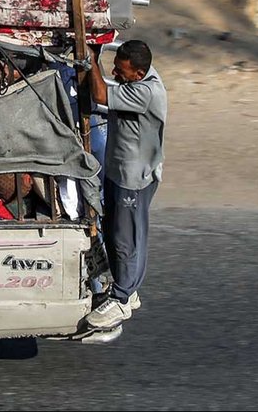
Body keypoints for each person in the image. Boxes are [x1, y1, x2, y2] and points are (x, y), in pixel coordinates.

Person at [83, 40, 167, 330]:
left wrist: (91, 60)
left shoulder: (145, 92)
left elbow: (100, 92)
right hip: (120, 172)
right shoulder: (140, 78)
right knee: (118, 230)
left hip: (133, 178)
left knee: (126, 238)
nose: (116, 74)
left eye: (121, 71)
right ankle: (126, 290)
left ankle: (121, 299)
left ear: (139, 73)